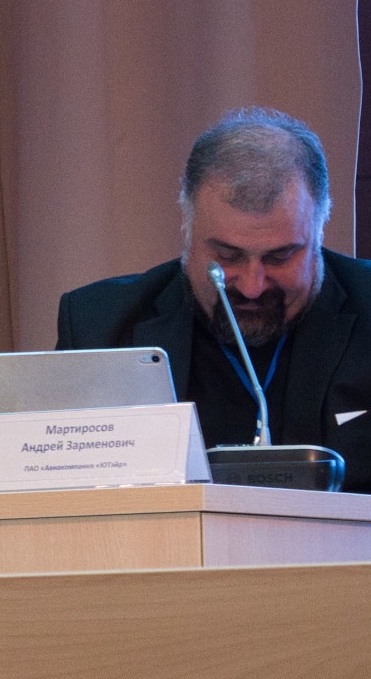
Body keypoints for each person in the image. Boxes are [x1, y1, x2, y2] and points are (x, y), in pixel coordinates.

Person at [56, 106, 371, 489]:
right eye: (227, 256)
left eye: (280, 257)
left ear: (320, 231)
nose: (253, 286)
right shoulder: (100, 328)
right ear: (187, 227)